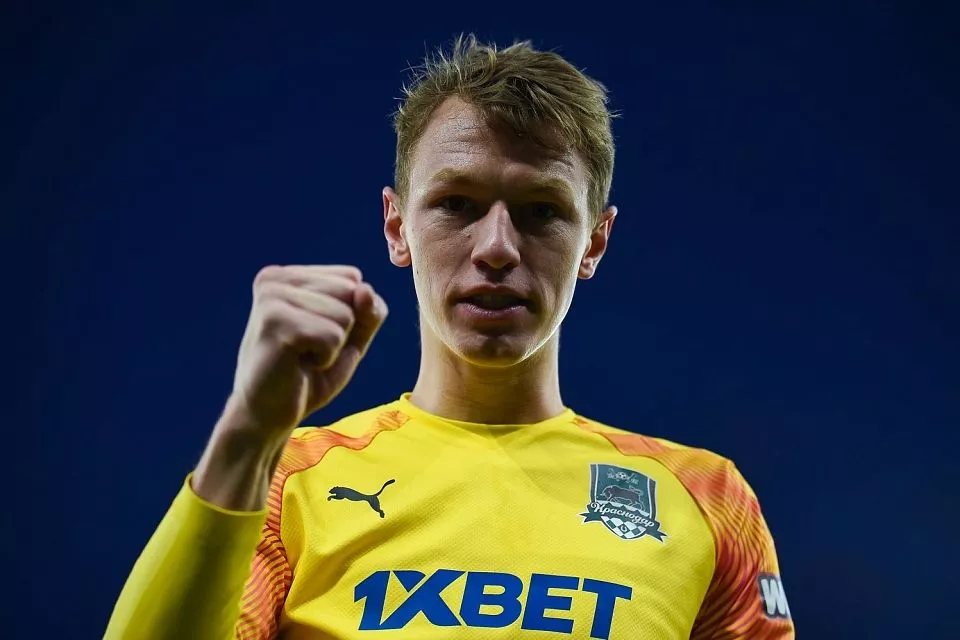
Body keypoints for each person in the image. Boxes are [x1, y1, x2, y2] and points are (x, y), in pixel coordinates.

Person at [104, 34, 795, 639]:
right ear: (397, 226)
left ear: (594, 241)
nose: (496, 247)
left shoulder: (708, 499)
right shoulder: (287, 483)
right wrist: (248, 431)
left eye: (541, 211)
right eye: (456, 204)